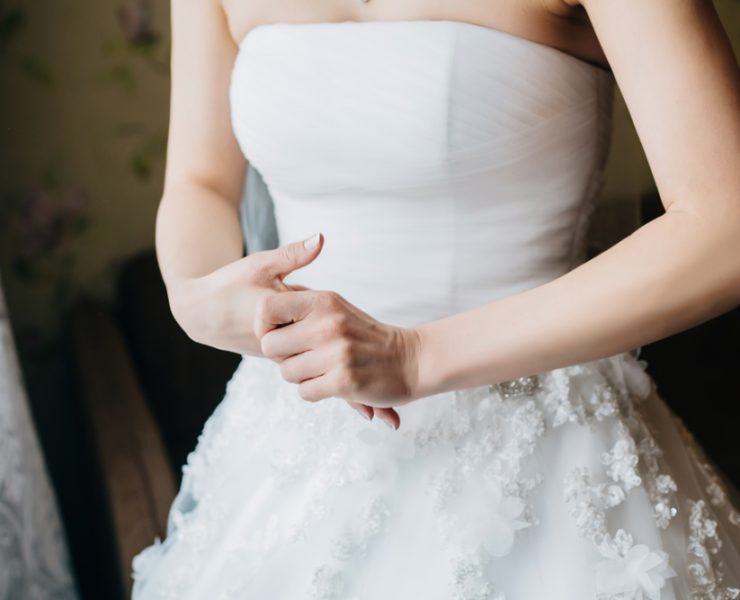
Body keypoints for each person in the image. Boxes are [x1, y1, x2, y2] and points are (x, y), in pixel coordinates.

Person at [130, 0, 740, 597]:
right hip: (291, 438)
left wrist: (416, 356)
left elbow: (726, 225)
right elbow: (200, 182)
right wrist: (194, 294)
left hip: (541, 447)